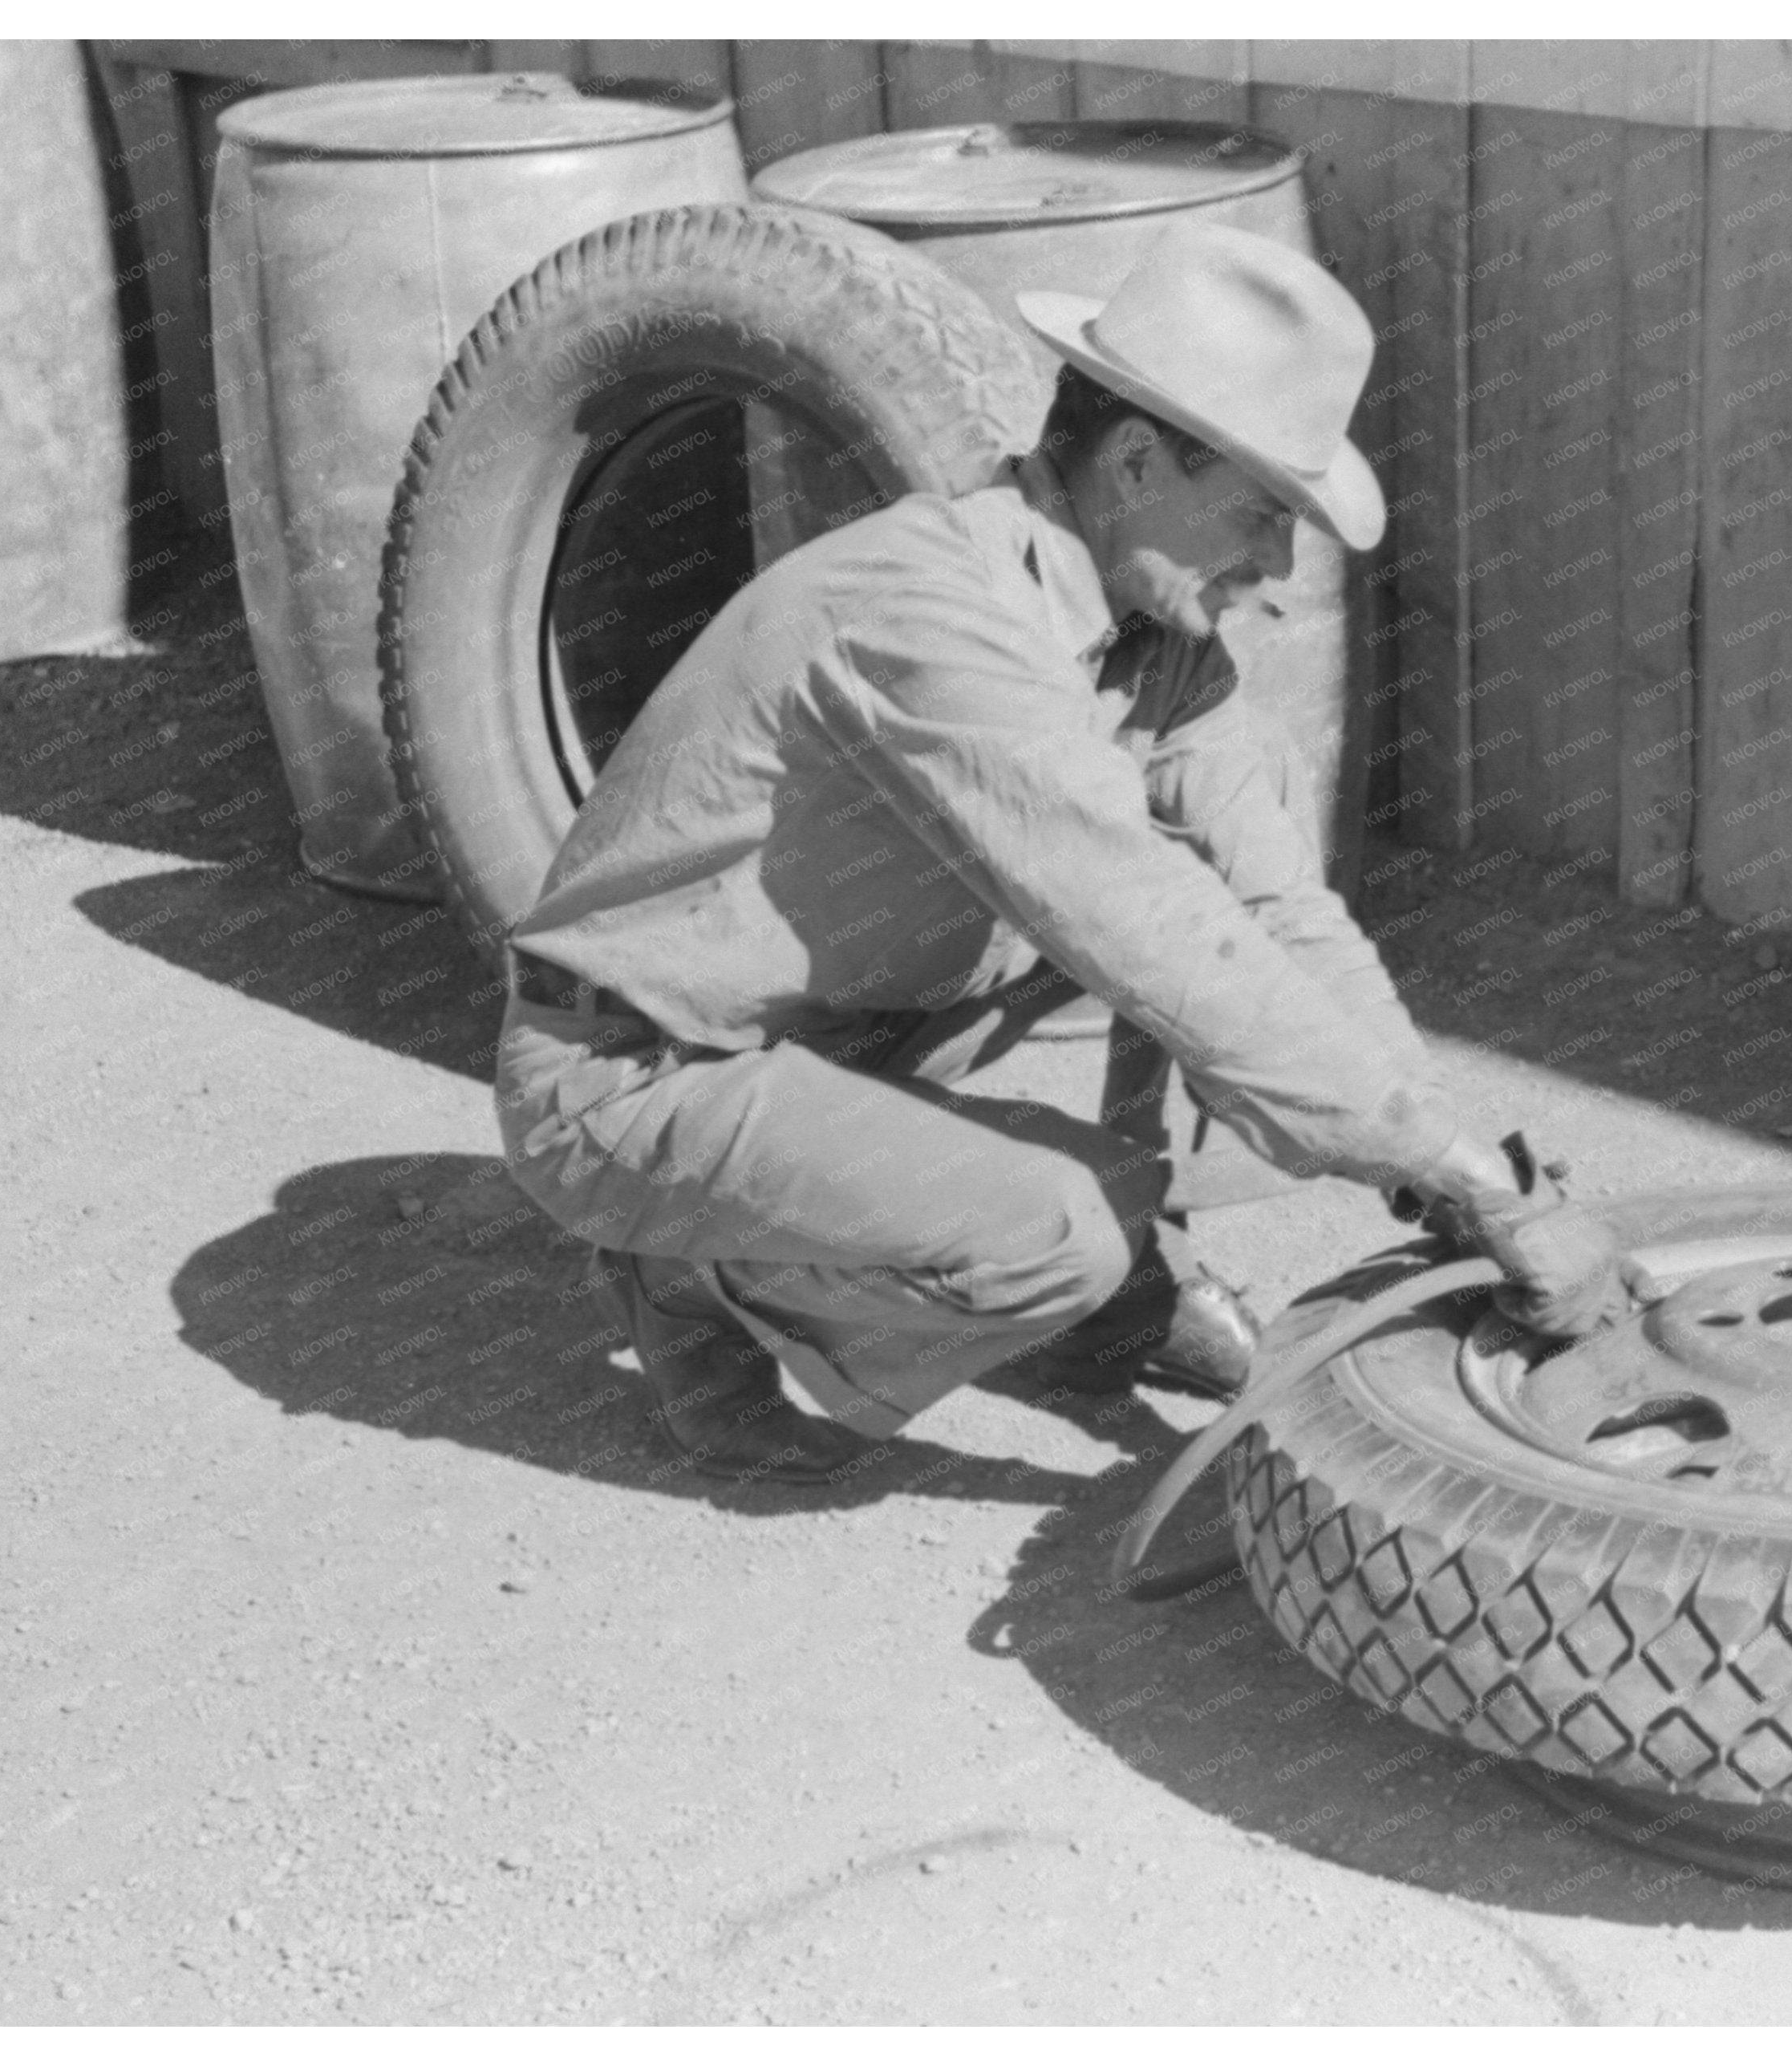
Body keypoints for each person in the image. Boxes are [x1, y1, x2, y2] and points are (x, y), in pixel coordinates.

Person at [493, 221, 1635, 1481]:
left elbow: (1281, 918)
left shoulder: (1159, 643)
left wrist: (1455, 1174)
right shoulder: (929, 617)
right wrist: (1463, 1177)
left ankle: (1109, 1263)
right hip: (636, 1072)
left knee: (1226, 887)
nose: (1277, 566)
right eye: (1263, 513)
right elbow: (1144, 928)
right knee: (1061, 1232)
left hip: (838, 1029)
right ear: (1137, 461)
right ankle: (693, 1283)